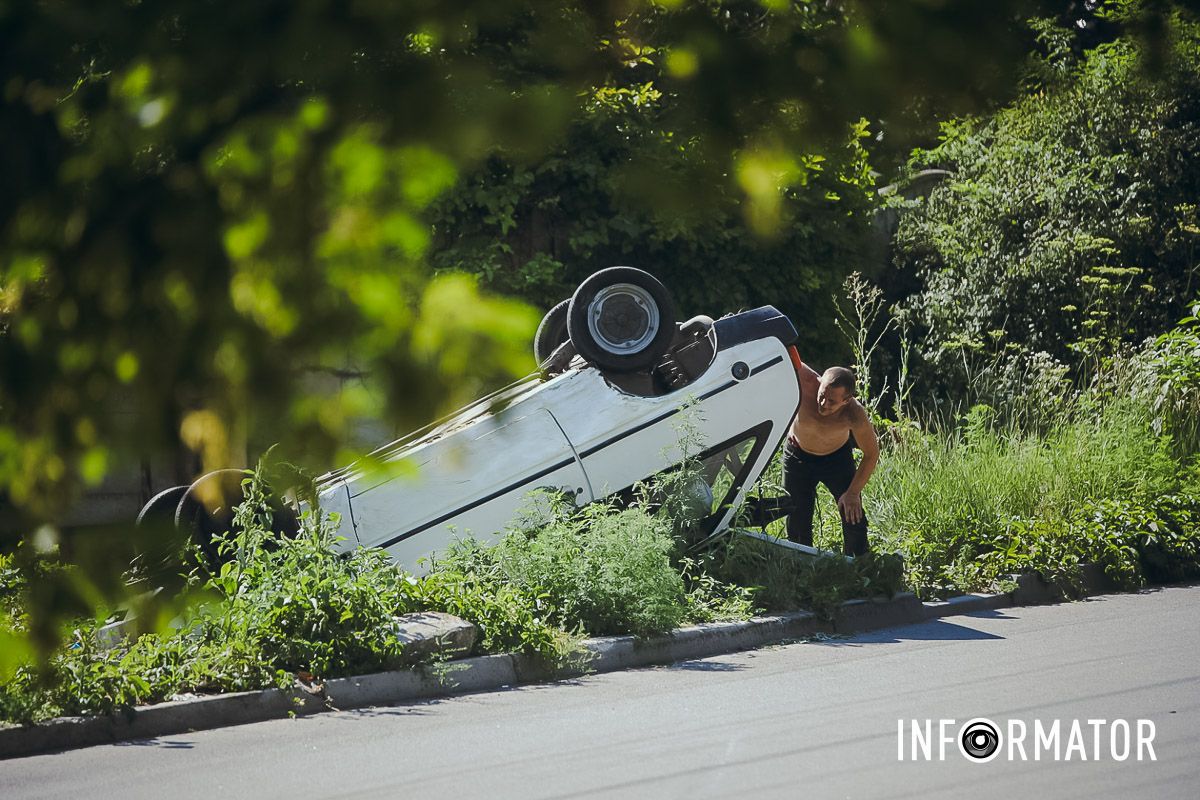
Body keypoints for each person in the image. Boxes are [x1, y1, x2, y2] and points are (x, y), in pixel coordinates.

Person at [784, 358, 879, 556]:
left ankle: (858, 567)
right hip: (797, 455)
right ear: (820, 384)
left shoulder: (855, 414)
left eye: (832, 402)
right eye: (822, 396)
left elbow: (871, 454)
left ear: (846, 400)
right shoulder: (806, 380)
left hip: (836, 459)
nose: (823, 404)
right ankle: (801, 569)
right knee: (797, 517)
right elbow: (782, 351)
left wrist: (853, 492)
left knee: (853, 516)